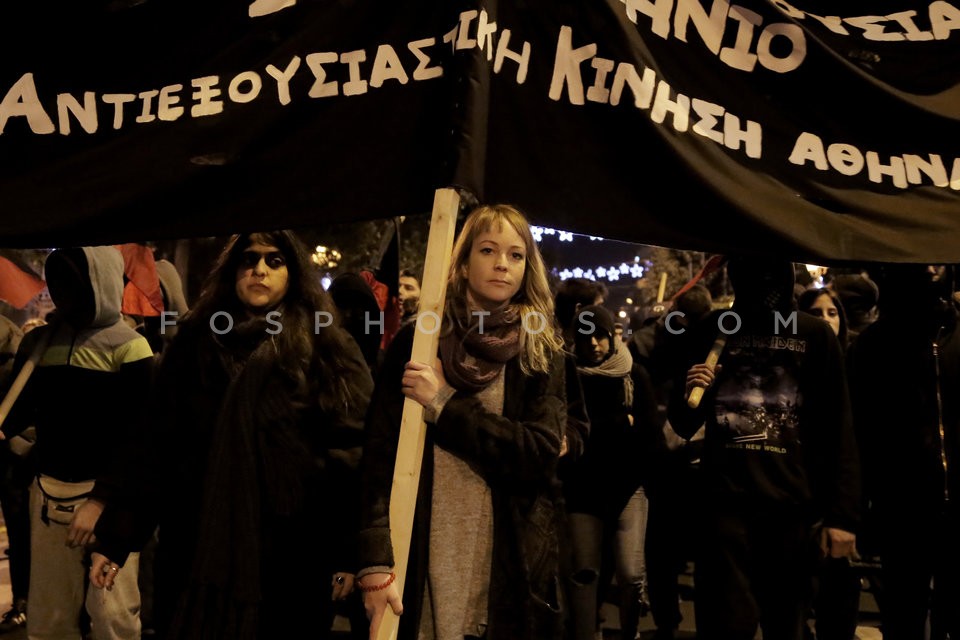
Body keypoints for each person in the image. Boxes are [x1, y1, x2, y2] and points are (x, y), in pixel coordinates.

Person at [89, 230, 374, 640]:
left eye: (274, 260)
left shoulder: (325, 345)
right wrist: (116, 539)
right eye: (249, 260)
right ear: (232, 270)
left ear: (293, 273)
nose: (260, 270)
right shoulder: (195, 343)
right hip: (199, 549)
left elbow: (352, 453)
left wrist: (350, 552)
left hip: (291, 556)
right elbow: (155, 444)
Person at [357, 203, 568, 640]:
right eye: (488, 250)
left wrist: (445, 404)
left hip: (507, 565)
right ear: (465, 259)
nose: (501, 264)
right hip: (419, 561)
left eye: (515, 255)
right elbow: (378, 457)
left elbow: (539, 453)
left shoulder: (540, 351)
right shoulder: (418, 341)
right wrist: (374, 562)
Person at [669, 255, 860, 640]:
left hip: (790, 510)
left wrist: (842, 515)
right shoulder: (714, 329)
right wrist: (693, 390)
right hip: (724, 510)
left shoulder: (813, 335)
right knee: (725, 627)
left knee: (786, 626)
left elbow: (838, 426)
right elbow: (684, 421)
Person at [1, 246, 154, 640]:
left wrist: (101, 500)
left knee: (113, 622)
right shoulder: (40, 344)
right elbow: (17, 414)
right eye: (61, 283)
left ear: (99, 283)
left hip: (109, 504)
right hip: (48, 498)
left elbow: (139, 440)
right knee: (49, 621)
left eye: (76, 283)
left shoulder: (130, 347)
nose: (66, 294)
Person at [847, 264, 960, 640]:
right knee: (904, 616)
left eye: (939, 262)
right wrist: (854, 510)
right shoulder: (874, 346)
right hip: (903, 509)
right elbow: (860, 432)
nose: (932, 269)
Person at [564, 304, 656, 640]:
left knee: (631, 575)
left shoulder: (632, 374)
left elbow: (648, 430)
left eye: (600, 335)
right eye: (585, 336)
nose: (593, 344)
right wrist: (619, 423)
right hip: (583, 490)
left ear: (612, 336)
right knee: (584, 574)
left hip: (628, 488)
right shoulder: (567, 375)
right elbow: (571, 430)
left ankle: (630, 631)